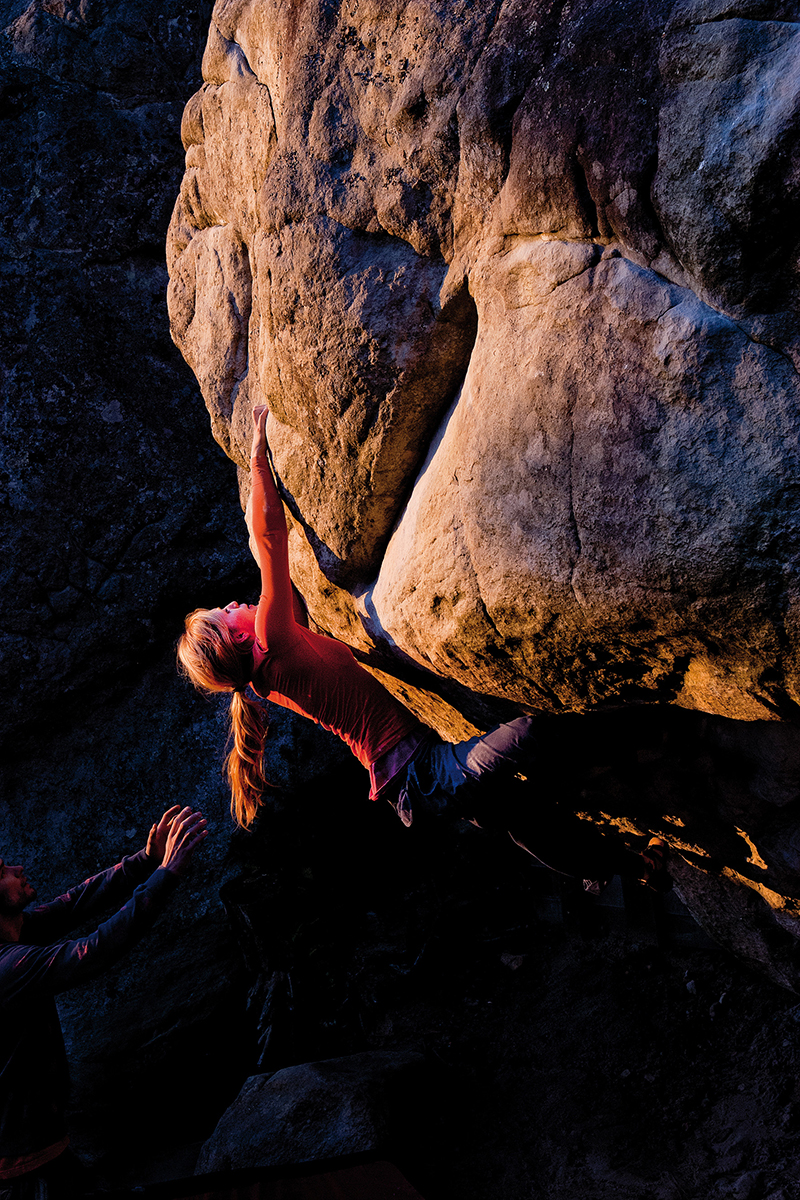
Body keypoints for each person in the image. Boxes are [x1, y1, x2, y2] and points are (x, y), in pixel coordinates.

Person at [177, 406, 667, 890]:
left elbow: (284, 569)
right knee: (532, 733)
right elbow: (269, 539)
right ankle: (649, 736)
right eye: (225, 612)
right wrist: (257, 455)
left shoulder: (275, 661)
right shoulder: (273, 644)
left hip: (415, 780)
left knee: (521, 816)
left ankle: (629, 868)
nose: (234, 603)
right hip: (422, 776)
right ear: (238, 637)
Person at [0, 806, 207, 1199]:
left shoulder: (18, 934)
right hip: (22, 1178)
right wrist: (165, 874)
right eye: (2, 872)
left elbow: (76, 902)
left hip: (47, 1156)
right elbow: (94, 950)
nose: (17, 869)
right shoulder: (7, 968)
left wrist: (145, 859)